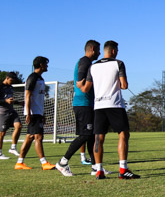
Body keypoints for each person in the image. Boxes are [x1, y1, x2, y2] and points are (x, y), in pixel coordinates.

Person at [85, 40, 139, 179]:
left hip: (98, 106)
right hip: (114, 105)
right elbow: (124, 85)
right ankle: (123, 169)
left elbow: (87, 87)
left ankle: (99, 170)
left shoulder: (93, 66)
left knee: (98, 138)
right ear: (114, 51)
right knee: (123, 134)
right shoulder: (118, 63)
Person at [54, 40, 100, 177]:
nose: (99, 53)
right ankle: (62, 163)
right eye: (98, 50)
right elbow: (80, 83)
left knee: (91, 136)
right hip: (82, 104)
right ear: (92, 49)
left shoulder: (87, 62)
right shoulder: (85, 61)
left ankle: (95, 167)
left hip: (88, 104)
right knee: (85, 135)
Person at [14, 57, 56, 171]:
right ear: (41, 65)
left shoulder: (40, 78)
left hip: (38, 112)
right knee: (38, 137)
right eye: (46, 64)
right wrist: (28, 113)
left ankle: (19, 162)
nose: (47, 66)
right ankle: (44, 163)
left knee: (30, 137)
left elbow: (39, 98)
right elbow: (27, 95)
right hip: (32, 113)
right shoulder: (32, 78)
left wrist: (42, 113)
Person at [0, 73, 21, 160]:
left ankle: (13, 148)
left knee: (19, 126)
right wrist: (5, 101)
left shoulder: (11, 87)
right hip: (2, 113)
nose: (12, 82)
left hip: (11, 111)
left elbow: (10, 100)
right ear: (7, 78)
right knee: (2, 133)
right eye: (11, 80)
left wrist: (19, 103)